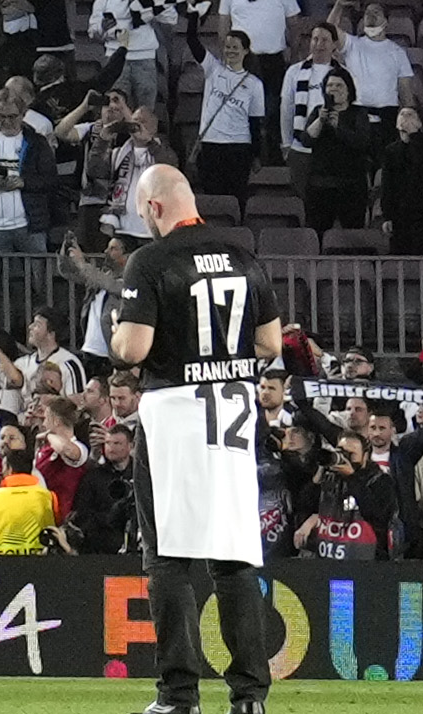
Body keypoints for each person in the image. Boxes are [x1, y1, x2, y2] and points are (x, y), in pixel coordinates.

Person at [108, 171, 279, 714]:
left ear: (155, 206)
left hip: (176, 416)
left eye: (141, 210)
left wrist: (118, 327)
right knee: (233, 559)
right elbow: (270, 342)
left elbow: (132, 350)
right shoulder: (241, 253)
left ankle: (178, 696)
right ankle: (250, 696)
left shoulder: (151, 261)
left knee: (167, 557)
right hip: (233, 412)